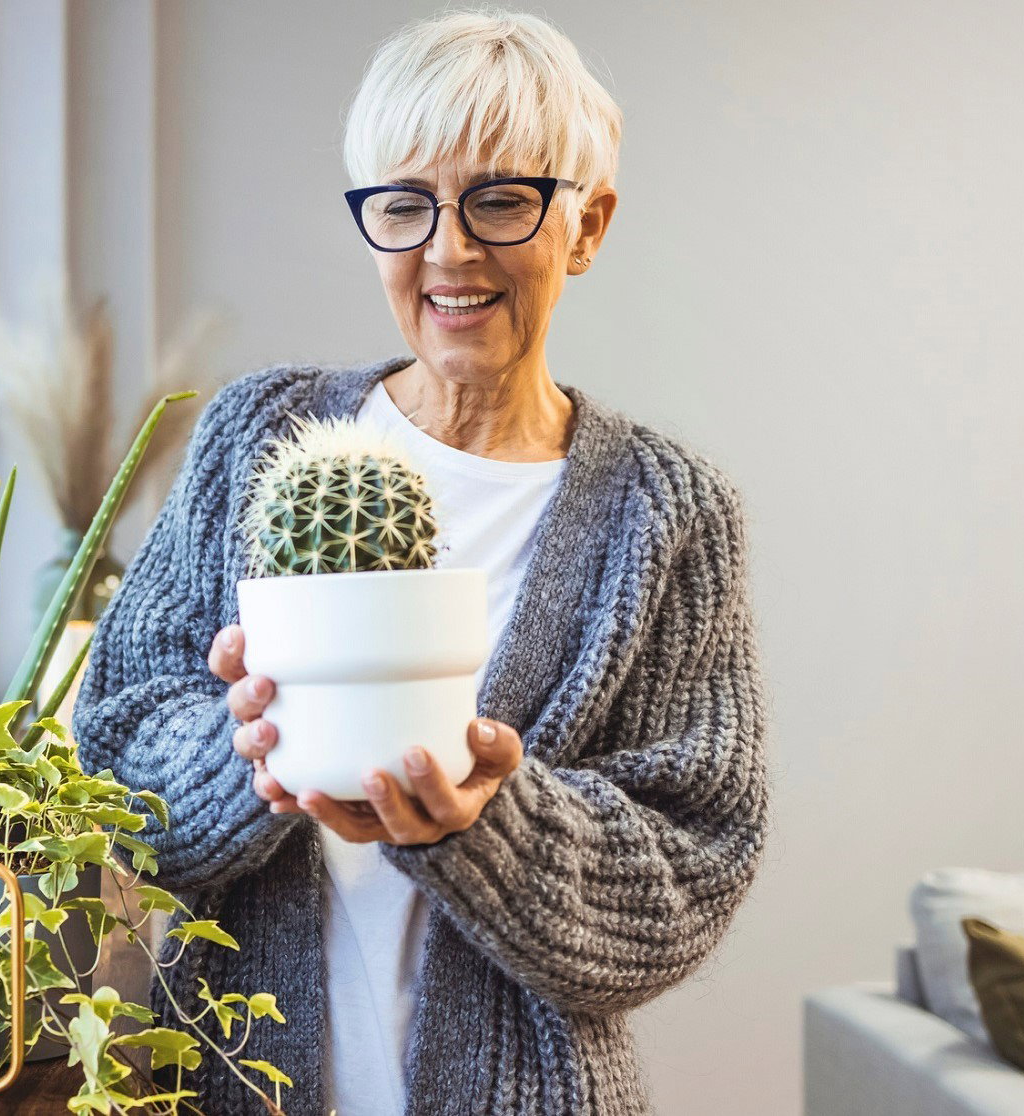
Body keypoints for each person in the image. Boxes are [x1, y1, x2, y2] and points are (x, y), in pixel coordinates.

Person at [73, 9, 769, 1115]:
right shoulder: (257, 437)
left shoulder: (666, 512)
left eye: (499, 199)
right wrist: (250, 752)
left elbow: (690, 870)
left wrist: (487, 821)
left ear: (586, 226)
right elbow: (114, 748)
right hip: (227, 1088)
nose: (448, 250)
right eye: (404, 204)